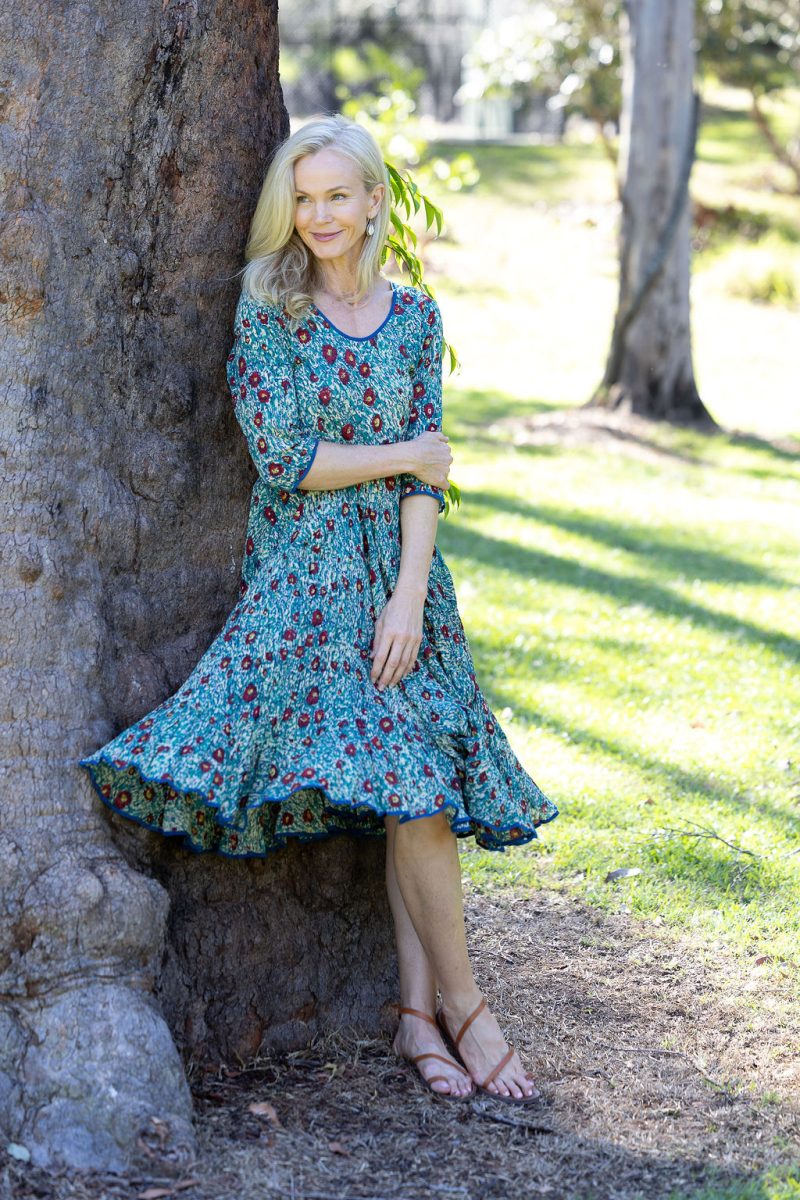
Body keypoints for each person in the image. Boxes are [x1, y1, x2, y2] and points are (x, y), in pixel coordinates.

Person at [79, 113, 559, 1104]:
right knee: (416, 793)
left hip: (403, 580)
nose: (320, 214)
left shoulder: (417, 316)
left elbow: (428, 485)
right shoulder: (270, 309)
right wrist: (407, 458)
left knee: (410, 791)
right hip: (308, 580)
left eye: (338, 194)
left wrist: (412, 596)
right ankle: (469, 1012)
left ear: (374, 200)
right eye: (303, 198)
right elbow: (290, 462)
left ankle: (417, 1024)